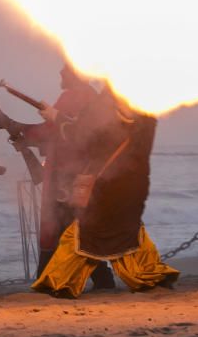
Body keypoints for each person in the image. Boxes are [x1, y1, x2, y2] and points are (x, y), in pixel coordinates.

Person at [31, 87, 179, 298]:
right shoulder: (144, 115)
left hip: (107, 186)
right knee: (127, 236)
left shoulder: (119, 110)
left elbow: (87, 137)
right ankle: (150, 277)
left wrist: (56, 117)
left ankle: (59, 282)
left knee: (81, 237)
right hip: (129, 185)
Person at [7, 64, 114, 287]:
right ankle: (101, 279)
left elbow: (51, 130)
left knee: (57, 225)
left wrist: (20, 129)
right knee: (74, 225)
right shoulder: (91, 96)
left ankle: (48, 280)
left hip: (66, 172)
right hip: (82, 171)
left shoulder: (72, 96)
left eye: (64, 71)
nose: (60, 75)